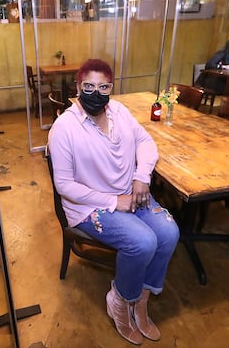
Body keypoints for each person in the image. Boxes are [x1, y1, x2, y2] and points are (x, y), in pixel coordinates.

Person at [48, 58, 180, 345]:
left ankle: (141, 300)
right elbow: (64, 185)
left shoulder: (119, 111)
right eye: (89, 86)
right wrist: (112, 201)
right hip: (89, 206)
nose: (96, 93)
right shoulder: (64, 128)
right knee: (143, 242)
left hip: (130, 193)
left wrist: (142, 176)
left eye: (103, 87)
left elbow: (146, 142)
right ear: (78, 86)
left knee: (169, 233)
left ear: (111, 88)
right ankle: (121, 299)